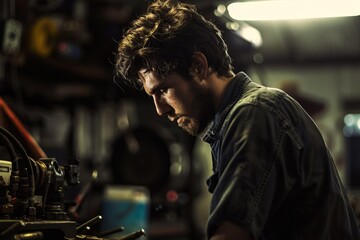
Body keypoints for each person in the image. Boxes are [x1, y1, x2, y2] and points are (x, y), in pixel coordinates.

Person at [114, 0, 360, 239]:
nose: (159, 110)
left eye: (163, 90)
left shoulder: (253, 114)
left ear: (198, 66)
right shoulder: (236, 120)